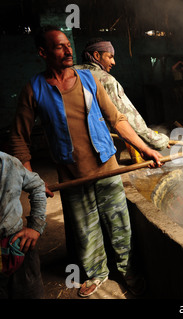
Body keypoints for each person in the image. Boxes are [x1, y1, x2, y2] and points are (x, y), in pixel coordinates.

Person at [9, 26, 163, 297]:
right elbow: (19, 140)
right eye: (59, 47)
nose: (68, 50)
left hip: (107, 168)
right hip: (72, 176)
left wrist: (145, 148)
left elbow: (117, 119)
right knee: (84, 231)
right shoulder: (33, 90)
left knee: (119, 225)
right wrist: (32, 180)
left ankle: (129, 272)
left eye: (69, 45)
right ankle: (96, 273)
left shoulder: (89, 79)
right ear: (43, 52)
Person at [74, 38, 170, 154]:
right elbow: (129, 116)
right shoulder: (105, 79)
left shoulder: (71, 73)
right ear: (96, 55)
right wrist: (158, 141)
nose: (114, 62)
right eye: (110, 57)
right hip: (96, 147)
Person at [0, 151, 47, 299]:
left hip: (15, 244)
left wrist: (35, 227)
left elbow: (38, 185)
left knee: (29, 292)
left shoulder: (6, 162)